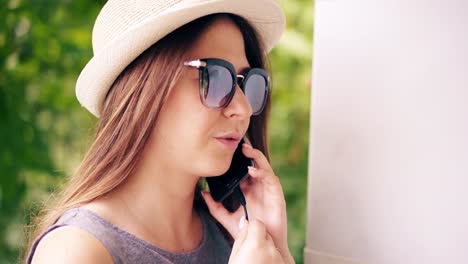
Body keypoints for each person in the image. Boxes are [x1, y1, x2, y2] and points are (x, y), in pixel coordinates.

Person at [25, 0, 294, 263]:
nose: (243, 107)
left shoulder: (239, 236)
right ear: (145, 89)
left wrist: (277, 247)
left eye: (247, 83)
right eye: (214, 77)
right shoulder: (76, 252)